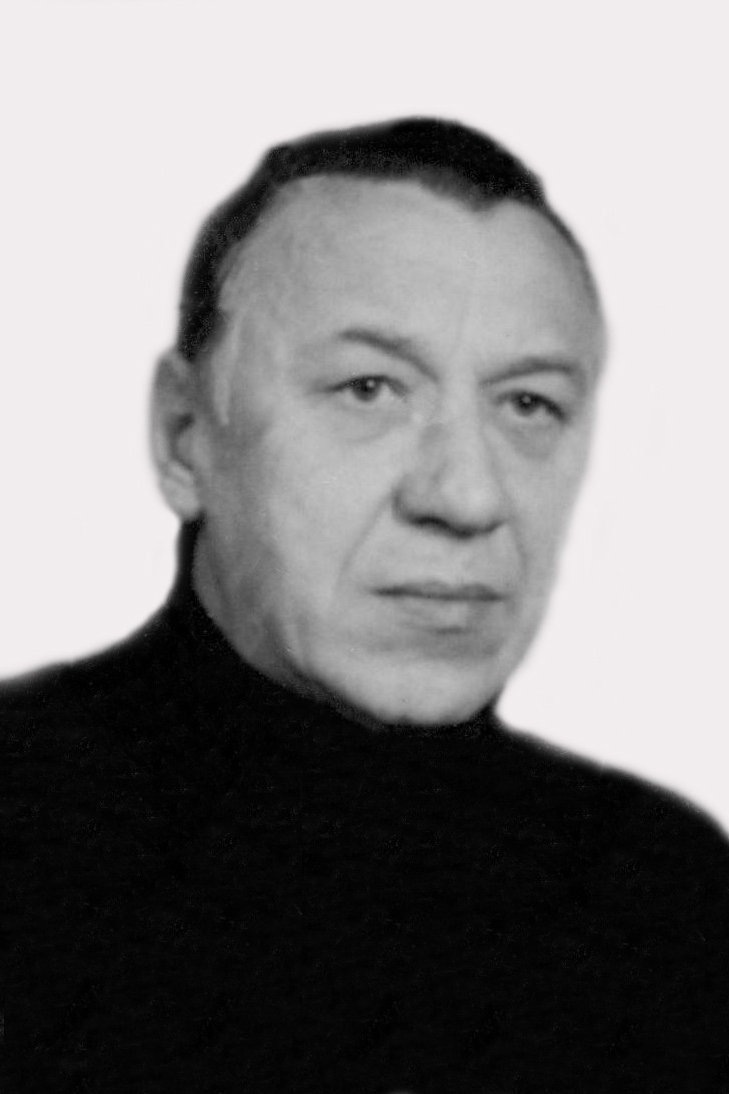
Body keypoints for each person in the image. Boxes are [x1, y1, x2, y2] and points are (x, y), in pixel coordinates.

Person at [3, 118, 728, 1094]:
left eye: (528, 404)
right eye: (369, 388)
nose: (465, 495)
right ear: (184, 436)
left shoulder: (662, 895)